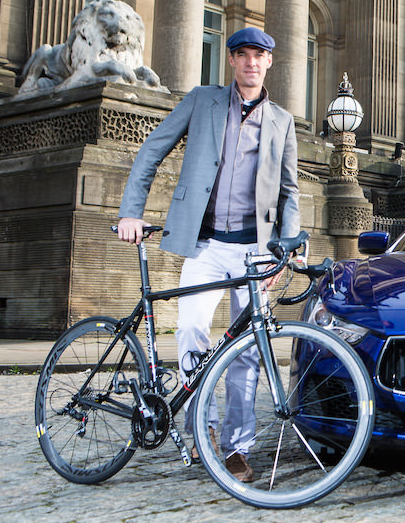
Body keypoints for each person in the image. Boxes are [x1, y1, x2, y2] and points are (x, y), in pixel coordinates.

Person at [117, 27, 300, 481]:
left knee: (248, 353)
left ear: (269, 62)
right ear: (232, 61)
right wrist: (130, 212)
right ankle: (205, 430)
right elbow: (152, 151)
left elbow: (289, 193)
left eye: (259, 55)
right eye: (243, 55)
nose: (251, 63)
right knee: (192, 332)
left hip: (253, 253)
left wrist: (284, 249)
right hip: (205, 244)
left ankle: (238, 448)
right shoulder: (202, 101)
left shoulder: (282, 121)